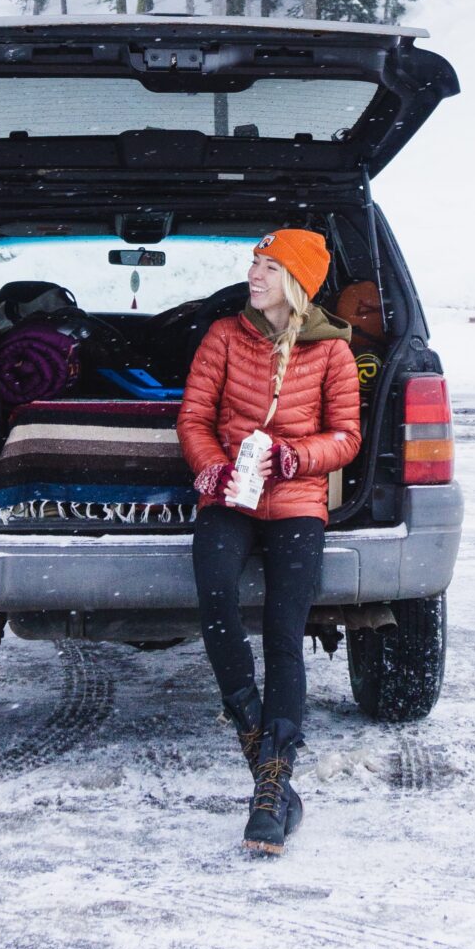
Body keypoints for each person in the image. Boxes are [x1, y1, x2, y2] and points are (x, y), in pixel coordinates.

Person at [177, 228, 361, 856]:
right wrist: (212, 468)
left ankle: (269, 787)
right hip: (228, 496)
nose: (253, 275)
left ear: (296, 281)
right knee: (217, 607)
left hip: (295, 500)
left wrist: (293, 458)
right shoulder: (226, 336)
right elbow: (194, 418)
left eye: (267, 266)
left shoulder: (332, 352)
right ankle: (262, 745)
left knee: (285, 632)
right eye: (253, 264)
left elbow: (346, 437)